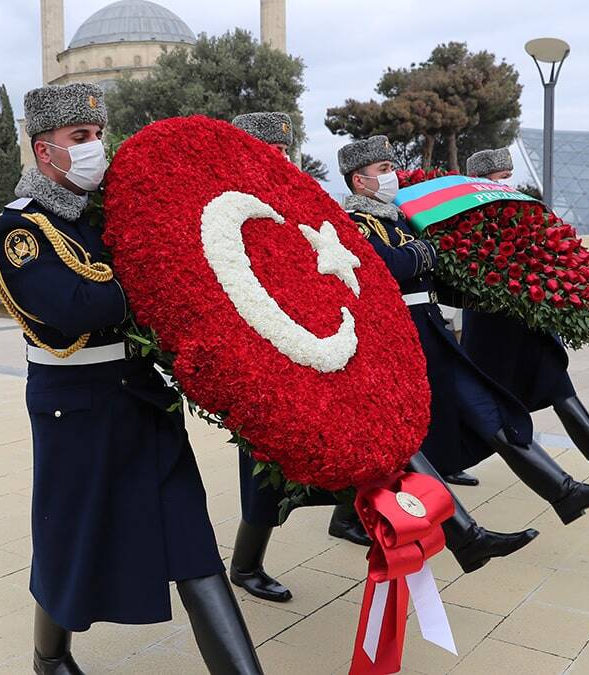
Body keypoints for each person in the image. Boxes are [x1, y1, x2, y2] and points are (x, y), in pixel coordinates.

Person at [0, 82, 262, 674]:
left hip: (143, 397)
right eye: (77, 138)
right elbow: (73, 307)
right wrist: (153, 278)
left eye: (97, 136)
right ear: (44, 150)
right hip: (76, 405)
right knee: (72, 536)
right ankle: (50, 657)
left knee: (193, 542)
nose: (94, 148)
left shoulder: (111, 212)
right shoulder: (17, 229)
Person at [340, 135, 589, 541]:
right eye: (382, 171)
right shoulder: (356, 223)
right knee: (406, 443)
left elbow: (428, 276)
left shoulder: (397, 218)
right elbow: (392, 265)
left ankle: (564, 493)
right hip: (403, 340)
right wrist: (427, 252)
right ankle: (456, 534)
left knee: (492, 413)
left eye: (391, 167)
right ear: (358, 180)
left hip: (431, 332)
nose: (391, 176)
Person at [227, 112, 357, 602]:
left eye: (284, 152)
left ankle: (347, 517)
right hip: (260, 350)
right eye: (269, 152)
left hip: (315, 340)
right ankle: (246, 565)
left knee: (333, 443)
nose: (279, 161)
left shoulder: (298, 201)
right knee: (264, 466)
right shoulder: (230, 203)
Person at [460, 148, 589, 481]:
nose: (507, 182)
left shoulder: (523, 211)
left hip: (528, 321)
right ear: (478, 182)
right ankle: (446, 462)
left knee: (556, 381)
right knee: (480, 397)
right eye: (499, 177)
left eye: (507, 175)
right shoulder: (464, 219)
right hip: (492, 324)